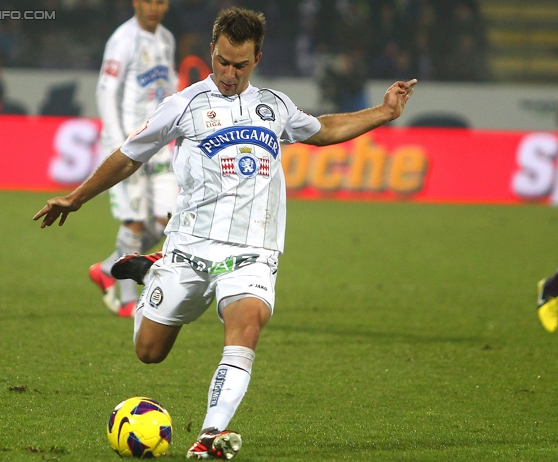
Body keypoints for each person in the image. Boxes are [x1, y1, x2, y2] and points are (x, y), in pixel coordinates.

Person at [34, 7, 417, 459]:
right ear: (212, 51)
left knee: (247, 324)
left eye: (239, 65)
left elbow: (325, 129)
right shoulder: (184, 105)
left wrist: (385, 112)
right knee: (149, 352)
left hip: (253, 252)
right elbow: (129, 154)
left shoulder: (274, 106)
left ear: (256, 59)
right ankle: (152, 271)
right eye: (221, 61)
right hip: (190, 247)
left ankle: (210, 435)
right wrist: (77, 197)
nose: (228, 73)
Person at [88, 0, 180, 317]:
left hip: (160, 144)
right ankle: (128, 300)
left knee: (168, 221)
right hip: (127, 143)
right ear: (136, 2)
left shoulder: (166, 39)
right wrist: (118, 141)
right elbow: (105, 91)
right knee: (135, 220)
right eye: (148, 1)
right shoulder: (122, 40)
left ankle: (107, 268)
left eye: (160, 1)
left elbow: (169, 87)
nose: (154, 7)